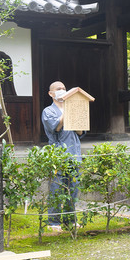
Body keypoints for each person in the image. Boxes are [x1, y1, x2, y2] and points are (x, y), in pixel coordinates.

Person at [41, 80, 83, 231]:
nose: (62, 90)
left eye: (64, 88)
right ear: (51, 93)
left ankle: (70, 220)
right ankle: (53, 222)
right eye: (58, 89)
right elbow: (56, 127)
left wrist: (73, 111)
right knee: (57, 190)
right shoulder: (48, 111)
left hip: (74, 155)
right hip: (58, 156)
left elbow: (80, 131)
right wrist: (67, 110)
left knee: (73, 190)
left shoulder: (73, 109)